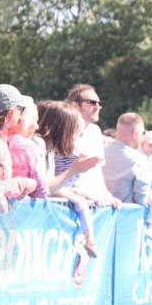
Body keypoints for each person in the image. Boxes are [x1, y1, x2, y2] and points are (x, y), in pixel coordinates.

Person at [39, 100, 106, 257]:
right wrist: (74, 170)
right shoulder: (44, 147)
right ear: (65, 130)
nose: (78, 136)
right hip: (57, 192)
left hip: (65, 188)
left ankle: (89, 240)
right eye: (77, 131)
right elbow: (47, 186)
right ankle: (90, 240)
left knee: (81, 198)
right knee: (80, 202)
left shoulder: (59, 149)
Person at [102, 114, 152, 212]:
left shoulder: (101, 152)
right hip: (127, 217)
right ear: (135, 134)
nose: (143, 136)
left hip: (101, 216)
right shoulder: (139, 160)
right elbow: (141, 194)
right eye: (143, 132)